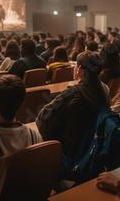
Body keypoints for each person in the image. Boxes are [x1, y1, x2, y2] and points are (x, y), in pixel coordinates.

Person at [36, 51, 110, 181]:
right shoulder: (105, 89)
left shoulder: (72, 93)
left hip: (70, 155)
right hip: (95, 149)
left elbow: (42, 120)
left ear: (79, 69)